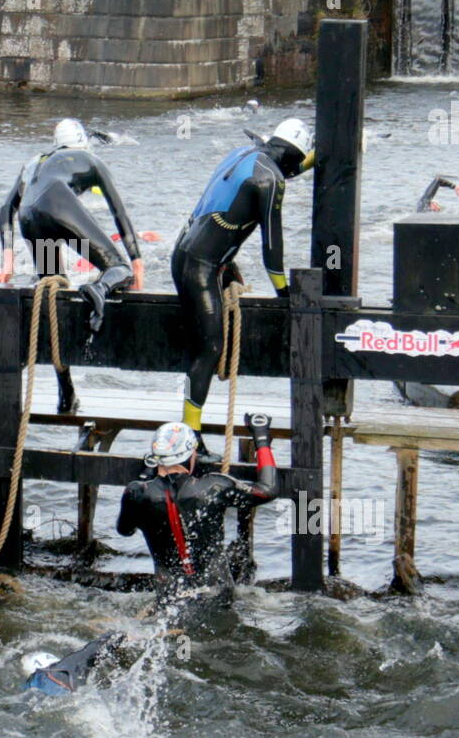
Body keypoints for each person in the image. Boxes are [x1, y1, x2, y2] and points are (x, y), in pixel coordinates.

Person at [171, 118, 314, 431]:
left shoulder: (245, 155)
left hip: (183, 254)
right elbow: (272, 248)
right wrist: (283, 293)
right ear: (295, 155)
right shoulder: (271, 181)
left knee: (201, 348)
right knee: (209, 350)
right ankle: (190, 435)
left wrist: (320, 155)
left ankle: (189, 428)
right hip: (202, 268)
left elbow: (284, 169)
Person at [0, 118, 143, 411]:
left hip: (30, 218)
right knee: (118, 270)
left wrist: (7, 263)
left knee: (54, 297)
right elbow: (119, 212)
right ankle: (98, 289)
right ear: (83, 141)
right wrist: (136, 261)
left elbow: (6, 208)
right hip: (58, 204)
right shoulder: (91, 159)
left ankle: (66, 395)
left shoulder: (34, 161)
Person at [117, 417, 282, 627]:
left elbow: (125, 530)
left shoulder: (136, 493)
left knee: (169, 625)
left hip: (170, 595)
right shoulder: (214, 486)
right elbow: (268, 490)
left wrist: (146, 474)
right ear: (191, 455)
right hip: (217, 594)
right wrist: (261, 438)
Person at [23, 632, 126, 695]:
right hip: (65, 688)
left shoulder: (30, 685)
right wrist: (120, 634)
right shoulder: (63, 667)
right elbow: (92, 649)